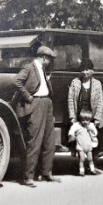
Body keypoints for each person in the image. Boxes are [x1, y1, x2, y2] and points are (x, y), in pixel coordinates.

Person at [12, 46, 61, 187]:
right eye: (50, 59)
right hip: (36, 104)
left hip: (46, 103)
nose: (50, 62)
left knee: (49, 140)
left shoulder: (42, 69)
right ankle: (28, 177)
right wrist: (28, 96)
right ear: (44, 58)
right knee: (35, 141)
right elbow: (16, 81)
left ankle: (46, 173)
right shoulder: (29, 67)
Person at [68, 109, 101, 176]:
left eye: (87, 120)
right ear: (80, 119)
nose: (85, 122)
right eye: (83, 120)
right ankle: (81, 170)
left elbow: (95, 133)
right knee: (82, 159)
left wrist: (91, 130)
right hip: (80, 146)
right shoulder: (77, 125)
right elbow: (71, 130)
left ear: (90, 120)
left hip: (88, 146)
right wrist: (72, 135)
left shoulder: (91, 125)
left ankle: (92, 169)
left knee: (90, 158)